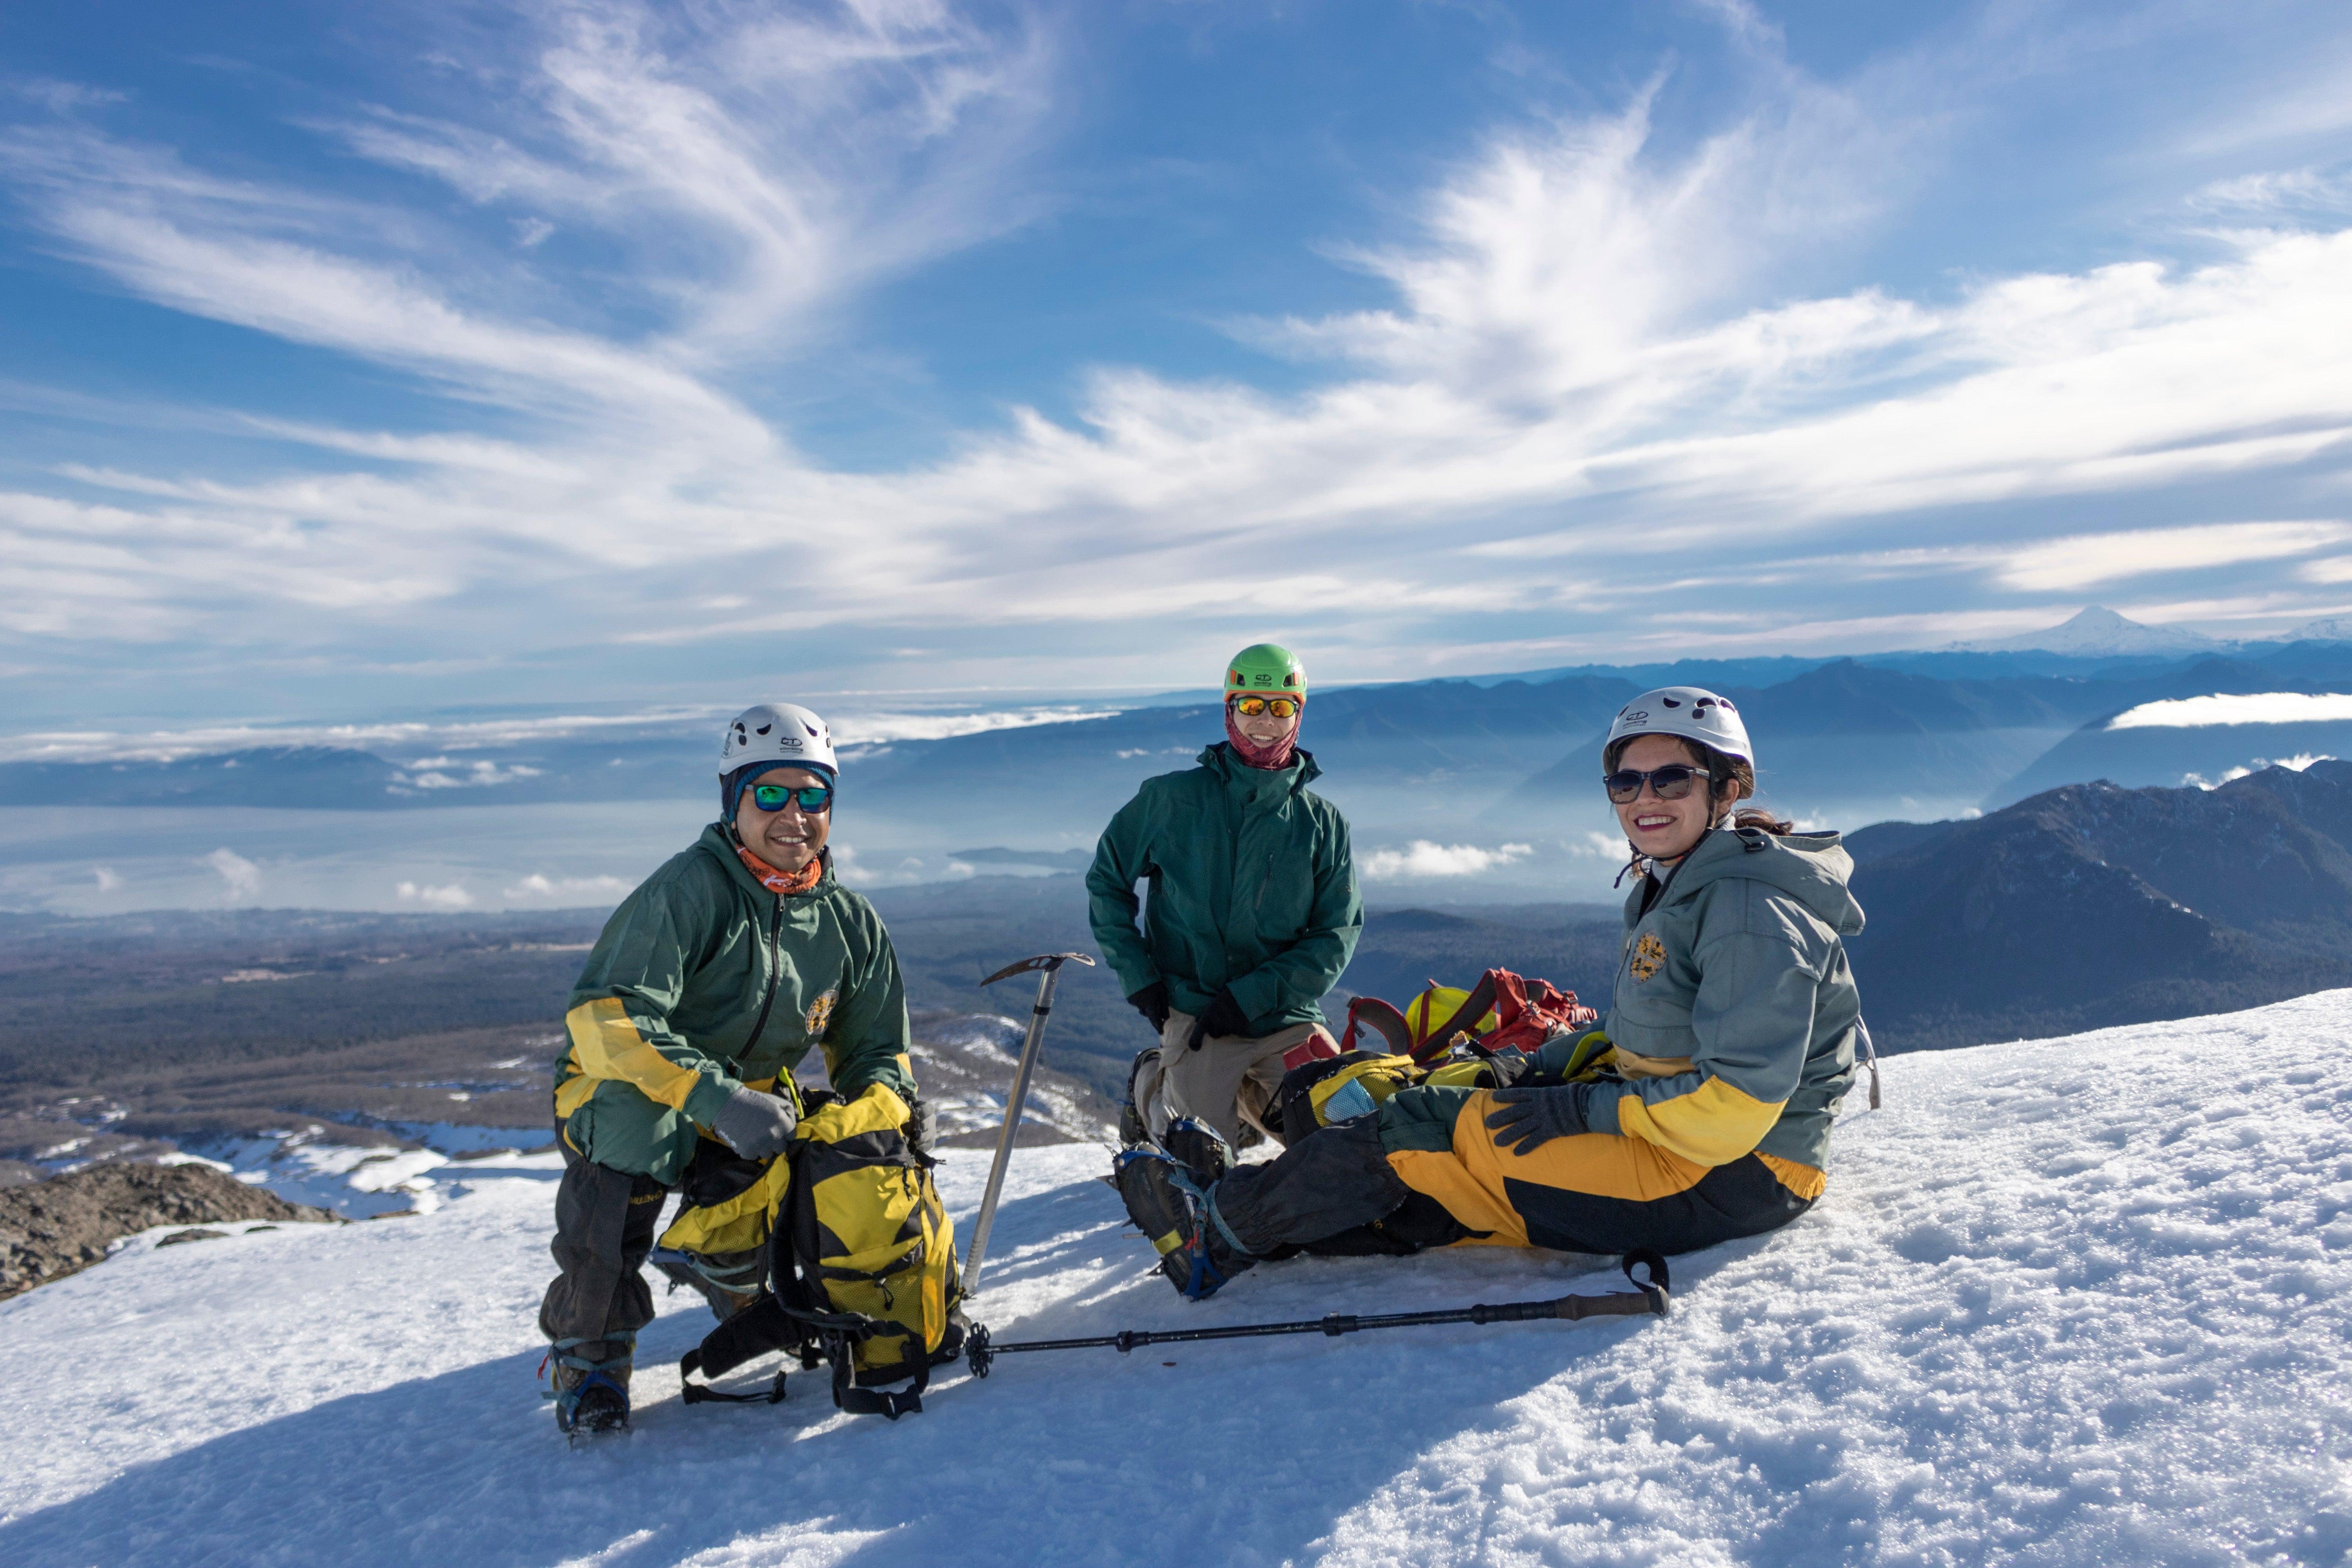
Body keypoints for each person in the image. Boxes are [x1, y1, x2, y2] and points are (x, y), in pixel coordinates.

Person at [1114, 686, 1864, 1299]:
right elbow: (1652, 1026)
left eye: (1671, 778)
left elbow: (1733, 1107)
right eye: (1625, 781)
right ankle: (1269, 1202)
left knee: (1433, 1139)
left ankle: (1216, 1236)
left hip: (1732, 1171)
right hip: (1679, 1130)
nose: (1644, 798)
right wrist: (1529, 1067)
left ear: (1727, 788)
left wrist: (1575, 1105)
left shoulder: (1746, 913)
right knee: (1403, 1106)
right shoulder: (1685, 883)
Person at [538, 703, 917, 1434]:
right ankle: (591, 1357)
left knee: (811, 1141)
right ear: (732, 801)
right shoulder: (689, 892)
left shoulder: (846, 921)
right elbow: (606, 1020)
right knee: (634, 1136)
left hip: (742, 1102)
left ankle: (730, 1271)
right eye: (769, 794)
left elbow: (878, 1050)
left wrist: (865, 1114)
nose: (794, 816)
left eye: (813, 796)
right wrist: (713, 1099)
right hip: (624, 1094)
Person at [1087, 642, 1363, 1178]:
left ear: (1299, 713)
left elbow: (1337, 932)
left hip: (1285, 1014)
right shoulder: (1172, 801)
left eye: (1280, 707)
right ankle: (1155, 1084)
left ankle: (1249, 1099)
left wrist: (1254, 996)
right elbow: (1107, 879)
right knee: (1203, 1169)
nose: (1264, 721)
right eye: (1250, 705)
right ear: (1229, 709)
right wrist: (1139, 977)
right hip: (1198, 1016)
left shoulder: (1322, 825)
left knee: (1350, 1140)